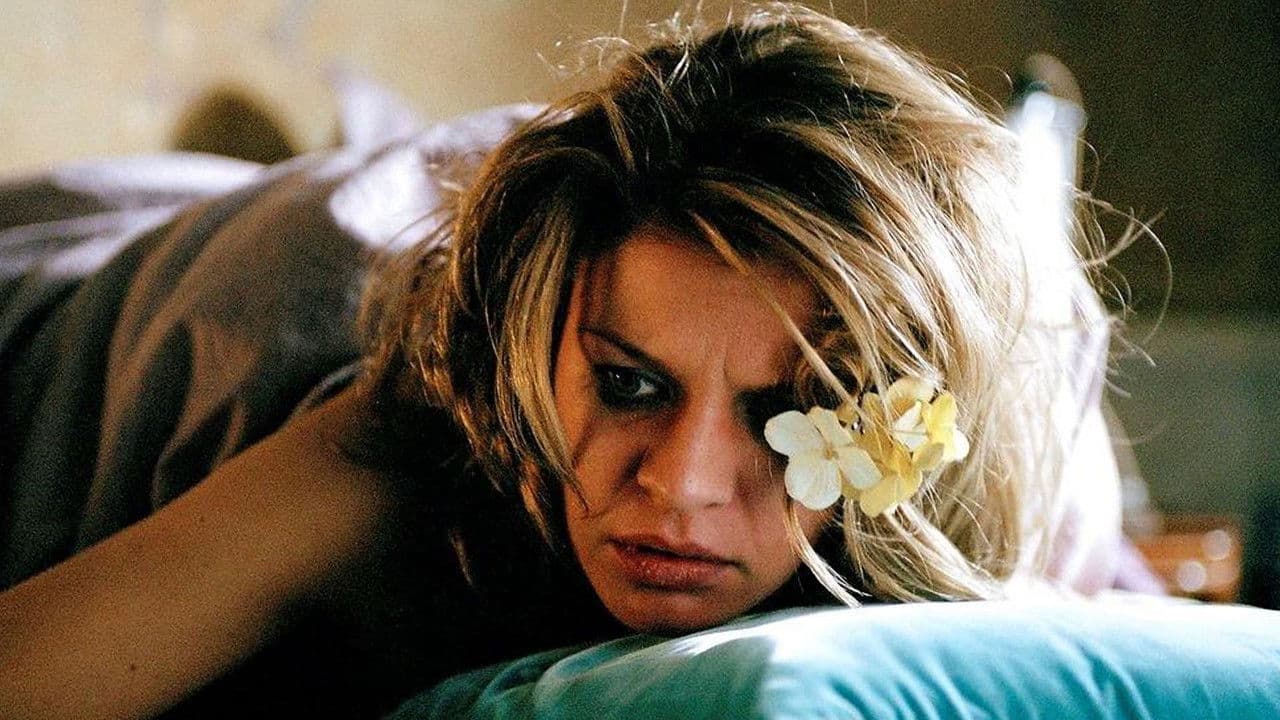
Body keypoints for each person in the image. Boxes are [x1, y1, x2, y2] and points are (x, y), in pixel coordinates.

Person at [0, 4, 1123, 718]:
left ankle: (1021, 163)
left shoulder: (1004, 463)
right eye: (629, 384)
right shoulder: (408, 443)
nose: (680, 485)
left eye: (783, 413)